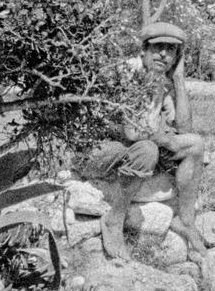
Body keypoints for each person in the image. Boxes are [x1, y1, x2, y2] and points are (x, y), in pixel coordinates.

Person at [87, 22, 205, 260]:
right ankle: (115, 219)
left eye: (171, 50)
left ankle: (185, 220)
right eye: (157, 47)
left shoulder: (160, 79)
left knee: (195, 145)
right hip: (102, 149)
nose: (163, 54)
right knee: (148, 149)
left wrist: (179, 80)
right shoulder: (127, 72)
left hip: (135, 148)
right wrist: (164, 139)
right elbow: (130, 132)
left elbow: (184, 127)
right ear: (143, 49)